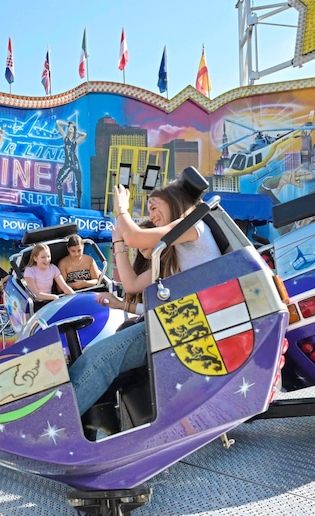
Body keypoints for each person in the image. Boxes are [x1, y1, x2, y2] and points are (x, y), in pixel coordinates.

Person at [69, 179, 221, 415]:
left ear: (173, 202)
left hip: (189, 326)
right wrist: (118, 241)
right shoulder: (175, 255)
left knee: (101, 359)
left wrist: (121, 208)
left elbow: (135, 237)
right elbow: (131, 283)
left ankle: (56, 423)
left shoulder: (195, 227)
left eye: (153, 207)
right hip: (178, 324)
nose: (151, 214)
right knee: (104, 352)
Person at [95, 221, 155, 316]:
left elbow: (131, 286)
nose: (140, 244)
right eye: (137, 240)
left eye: (144, 238)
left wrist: (118, 242)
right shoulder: (143, 266)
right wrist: (120, 304)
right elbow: (150, 310)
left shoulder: (164, 267)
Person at [56, 120, 86, 208]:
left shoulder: (75, 141)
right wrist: (68, 124)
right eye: (69, 127)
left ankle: (78, 205)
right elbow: (58, 123)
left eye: (72, 127)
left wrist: (75, 130)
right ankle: (61, 203)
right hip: (67, 164)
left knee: (79, 185)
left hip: (75, 163)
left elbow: (84, 135)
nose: (70, 128)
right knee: (59, 181)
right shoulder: (65, 137)